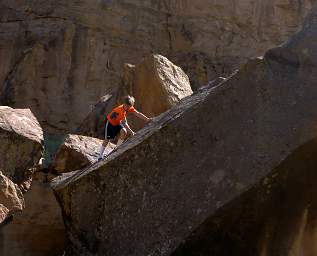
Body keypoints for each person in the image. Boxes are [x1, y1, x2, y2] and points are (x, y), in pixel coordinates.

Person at [98, 95, 151, 160]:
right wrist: (132, 132)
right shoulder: (121, 110)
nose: (128, 108)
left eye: (130, 106)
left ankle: (117, 148)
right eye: (127, 106)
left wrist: (147, 119)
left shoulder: (129, 107)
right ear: (124, 104)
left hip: (118, 122)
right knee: (107, 139)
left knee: (124, 132)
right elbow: (125, 123)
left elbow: (137, 113)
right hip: (110, 123)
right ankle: (100, 156)